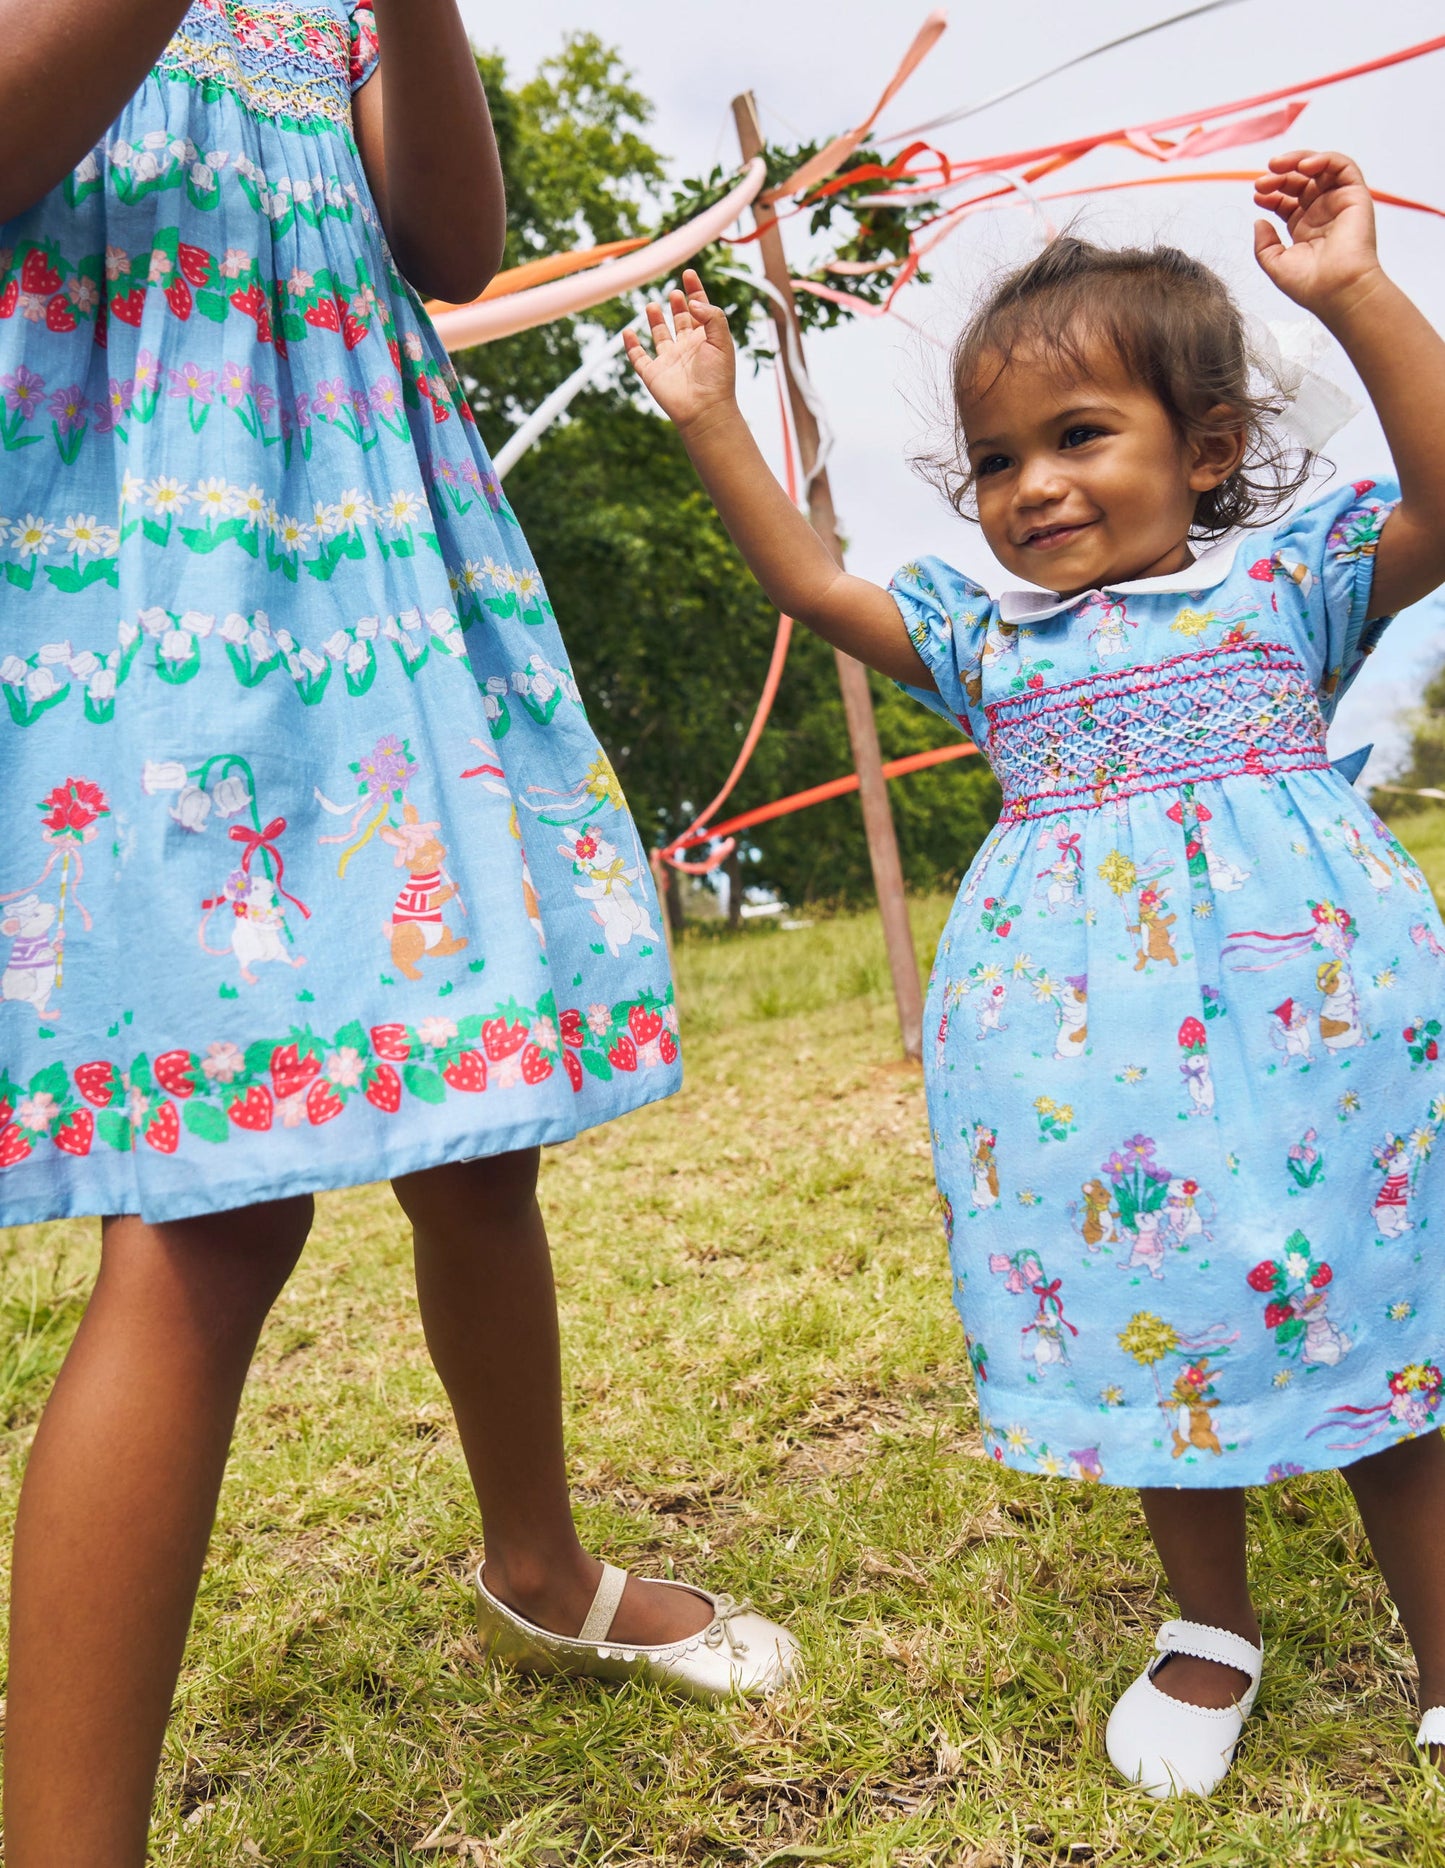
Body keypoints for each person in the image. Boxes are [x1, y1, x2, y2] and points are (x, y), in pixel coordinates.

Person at [0, 4, 798, 1860]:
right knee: (210, 1212)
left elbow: (451, 241)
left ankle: (540, 1564)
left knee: (472, 1122)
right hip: (141, 563)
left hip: (364, 550)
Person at [628, 148, 1445, 1797]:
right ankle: (1208, 1631)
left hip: (1315, 1040)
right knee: (1162, 1321)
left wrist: (1350, 288)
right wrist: (707, 409)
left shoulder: (1287, 590)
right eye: (997, 457)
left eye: (1080, 435)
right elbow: (807, 580)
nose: (1031, 485)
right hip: (1083, 1072)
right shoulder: (986, 644)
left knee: (1377, 1326)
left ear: (1206, 449)